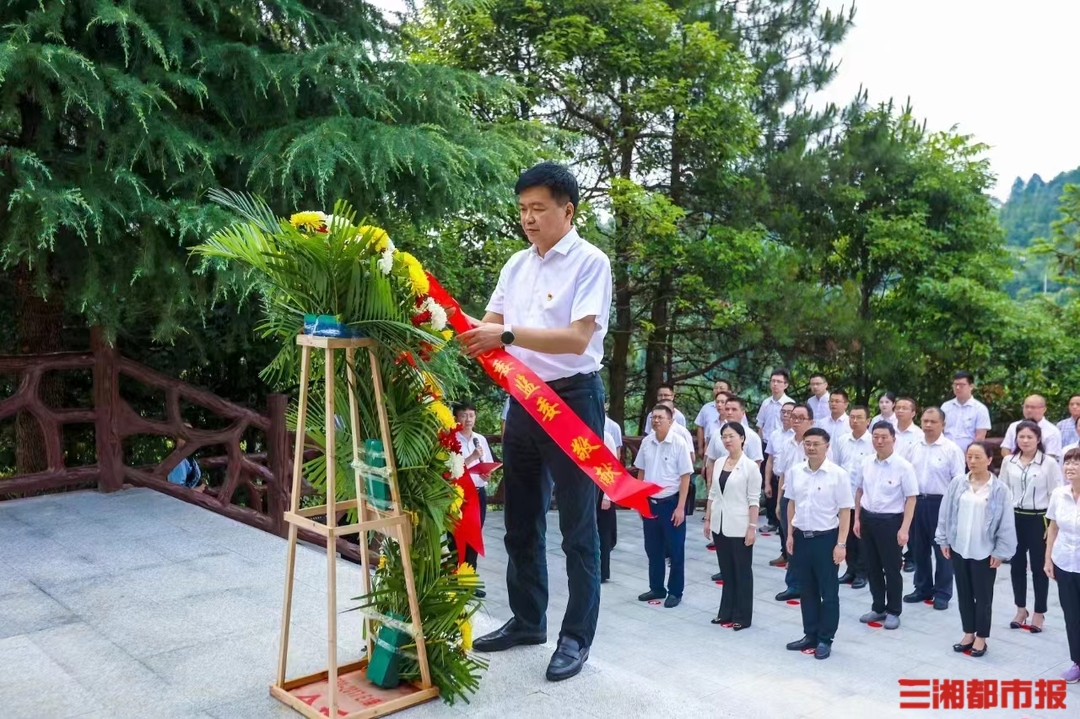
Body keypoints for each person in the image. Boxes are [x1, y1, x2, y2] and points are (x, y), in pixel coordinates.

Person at [462, 161, 611, 682]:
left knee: (577, 528)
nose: (528, 219)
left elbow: (575, 338)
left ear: (567, 210)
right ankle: (528, 620)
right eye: (523, 209)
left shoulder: (592, 262)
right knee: (521, 521)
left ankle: (576, 638)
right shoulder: (515, 265)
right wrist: (440, 318)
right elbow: (490, 325)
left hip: (572, 401)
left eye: (539, 209)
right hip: (523, 400)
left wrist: (503, 338)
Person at [936, 441, 1017, 658]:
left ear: (990, 460)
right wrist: (943, 540)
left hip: (985, 551)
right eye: (969, 456)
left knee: (983, 596)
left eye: (978, 457)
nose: (972, 461)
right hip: (960, 547)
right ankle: (968, 632)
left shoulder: (999, 489)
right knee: (963, 593)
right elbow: (945, 514)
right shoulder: (957, 483)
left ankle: (981, 637)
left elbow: (1007, 524)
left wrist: (1001, 551)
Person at [784, 427, 854, 660]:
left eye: (816, 444)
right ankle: (810, 633)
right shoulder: (795, 472)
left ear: (827, 446)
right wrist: (790, 534)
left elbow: (845, 511)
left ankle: (826, 638)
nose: (811, 448)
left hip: (827, 539)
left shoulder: (838, 474)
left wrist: (841, 544)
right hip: (802, 537)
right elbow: (791, 504)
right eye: (807, 443)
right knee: (807, 589)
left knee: (828, 591)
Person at [1000, 420, 1064, 633]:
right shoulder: (1009, 461)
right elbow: (1003, 491)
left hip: (1039, 519)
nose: (1025, 440)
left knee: (1039, 567)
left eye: (1030, 437)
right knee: (1016, 566)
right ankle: (1020, 609)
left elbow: (1056, 494)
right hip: (1014, 518)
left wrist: (1053, 525)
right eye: (1021, 437)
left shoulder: (1049, 463)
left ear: (1038, 439)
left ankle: (1039, 612)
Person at [853, 422, 918, 630]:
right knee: (872, 567)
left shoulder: (903, 466)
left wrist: (904, 528)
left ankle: (893, 610)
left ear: (893, 439)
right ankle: (878, 606)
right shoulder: (866, 463)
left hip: (891, 522)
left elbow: (911, 499)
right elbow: (859, 491)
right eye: (875, 437)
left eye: (884, 437)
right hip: (868, 519)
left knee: (891, 568)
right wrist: (857, 519)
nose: (879, 441)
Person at [904, 407, 966, 610]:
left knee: (942, 550)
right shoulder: (914, 447)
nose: (928, 425)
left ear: (943, 424)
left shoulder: (951, 449)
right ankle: (922, 587)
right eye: (925, 421)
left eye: (933, 422)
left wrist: (955, 511)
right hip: (916, 502)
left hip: (941, 503)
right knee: (918, 548)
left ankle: (943, 592)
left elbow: (958, 482)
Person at [634, 404, 693, 608]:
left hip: (671, 503)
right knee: (653, 549)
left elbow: (686, 476)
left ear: (670, 421)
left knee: (676, 550)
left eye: (660, 417)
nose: (656, 420)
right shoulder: (646, 442)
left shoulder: (679, 443)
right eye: (653, 417)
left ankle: (676, 591)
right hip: (650, 503)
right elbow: (641, 471)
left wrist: (681, 507)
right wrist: (640, 501)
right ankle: (656, 587)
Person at [703, 422, 760, 629]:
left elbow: (754, 500)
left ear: (742, 438)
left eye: (731, 436)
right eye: (724, 436)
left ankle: (742, 616)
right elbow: (713, 493)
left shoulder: (750, 467)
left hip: (740, 525)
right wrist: (708, 518)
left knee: (742, 571)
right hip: (720, 523)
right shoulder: (719, 462)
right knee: (727, 571)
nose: (727, 440)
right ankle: (725, 612)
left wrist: (752, 527)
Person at [1045, 447, 1080, 683]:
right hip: (1065, 563)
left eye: (1076, 463)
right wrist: (1048, 559)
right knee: (1072, 616)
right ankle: (1077, 661)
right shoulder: (1059, 494)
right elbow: (1053, 528)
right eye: (1068, 462)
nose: (1070, 466)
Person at [452, 401, 494, 595]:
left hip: (478, 493)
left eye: (471, 415)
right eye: (463, 415)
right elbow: (450, 470)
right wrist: (471, 459)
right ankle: (453, 579)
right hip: (459, 494)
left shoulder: (480, 439)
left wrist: (487, 474)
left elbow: (488, 464)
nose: (468, 420)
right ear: (456, 418)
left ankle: (469, 580)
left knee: (474, 538)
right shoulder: (452, 439)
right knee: (456, 537)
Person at [831, 406, 875, 589]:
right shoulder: (842, 440)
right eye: (853, 417)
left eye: (859, 418)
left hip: (864, 496)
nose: (855, 421)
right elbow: (837, 466)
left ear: (868, 420)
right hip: (844, 495)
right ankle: (850, 569)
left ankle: (862, 573)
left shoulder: (873, 442)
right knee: (847, 535)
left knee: (861, 536)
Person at [773, 404, 812, 602]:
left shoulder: (816, 444)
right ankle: (793, 584)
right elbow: (782, 475)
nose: (795, 421)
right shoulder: (787, 443)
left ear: (810, 421)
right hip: (790, 498)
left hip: (810, 501)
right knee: (791, 542)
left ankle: (808, 584)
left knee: (807, 543)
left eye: (801, 418)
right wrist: (780, 502)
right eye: (793, 417)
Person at [758, 369, 794, 533]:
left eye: (779, 381)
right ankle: (772, 520)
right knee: (769, 484)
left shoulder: (790, 404)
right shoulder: (766, 403)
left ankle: (785, 521)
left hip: (786, 445)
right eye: (773, 381)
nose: (775, 384)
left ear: (785, 384)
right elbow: (760, 425)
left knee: (783, 483)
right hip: (769, 444)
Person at [763, 402, 795, 538]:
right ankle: (784, 552)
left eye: (789, 412)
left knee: (791, 518)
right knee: (780, 516)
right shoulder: (774, 434)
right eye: (783, 412)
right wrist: (767, 483)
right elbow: (770, 460)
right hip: (777, 480)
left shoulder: (800, 436)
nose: (786, 415)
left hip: (792, 482)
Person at [1001, 394, 1064, 460]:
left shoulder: (1052, 431)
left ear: (1044, 409)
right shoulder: (1013, 426)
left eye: (1033, 407)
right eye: (1026, 407)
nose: (1029, 410)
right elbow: (1005, 449)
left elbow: (1051, 456)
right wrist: (1014, 464)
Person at [941, 370, 991, 453]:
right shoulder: (945, 407)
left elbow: (980, 437)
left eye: (961, 385)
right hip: (945, 453)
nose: (957, 388)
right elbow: (940, 431)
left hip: (968, 456)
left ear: (971, 386)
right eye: (955, 384)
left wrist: (968, 456)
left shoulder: (980, 409)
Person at [598, 430, 619, 584]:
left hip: (602, 488)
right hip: (585, 489)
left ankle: (602, 571)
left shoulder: (606, 437)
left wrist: (607, 495)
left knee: (604, 533)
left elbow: (613, 466)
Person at [695, 380, 732, 456]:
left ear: (729, 391)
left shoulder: (735, 409)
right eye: (715, 388)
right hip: (710, 449)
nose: (718, 390)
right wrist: (700, 448)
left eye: (721, 388)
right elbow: (700, 427)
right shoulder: (706, 408)